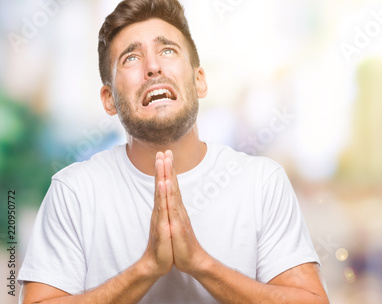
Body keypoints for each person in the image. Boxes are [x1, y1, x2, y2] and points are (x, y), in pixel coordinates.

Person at [17, 0, 329, 303]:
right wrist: (146, 269)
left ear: (199, 81)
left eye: (167, 50)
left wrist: (200, 263)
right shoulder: (73, 192)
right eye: (131, 58)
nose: (153, 66)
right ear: (109, 98)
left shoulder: (262, 182)